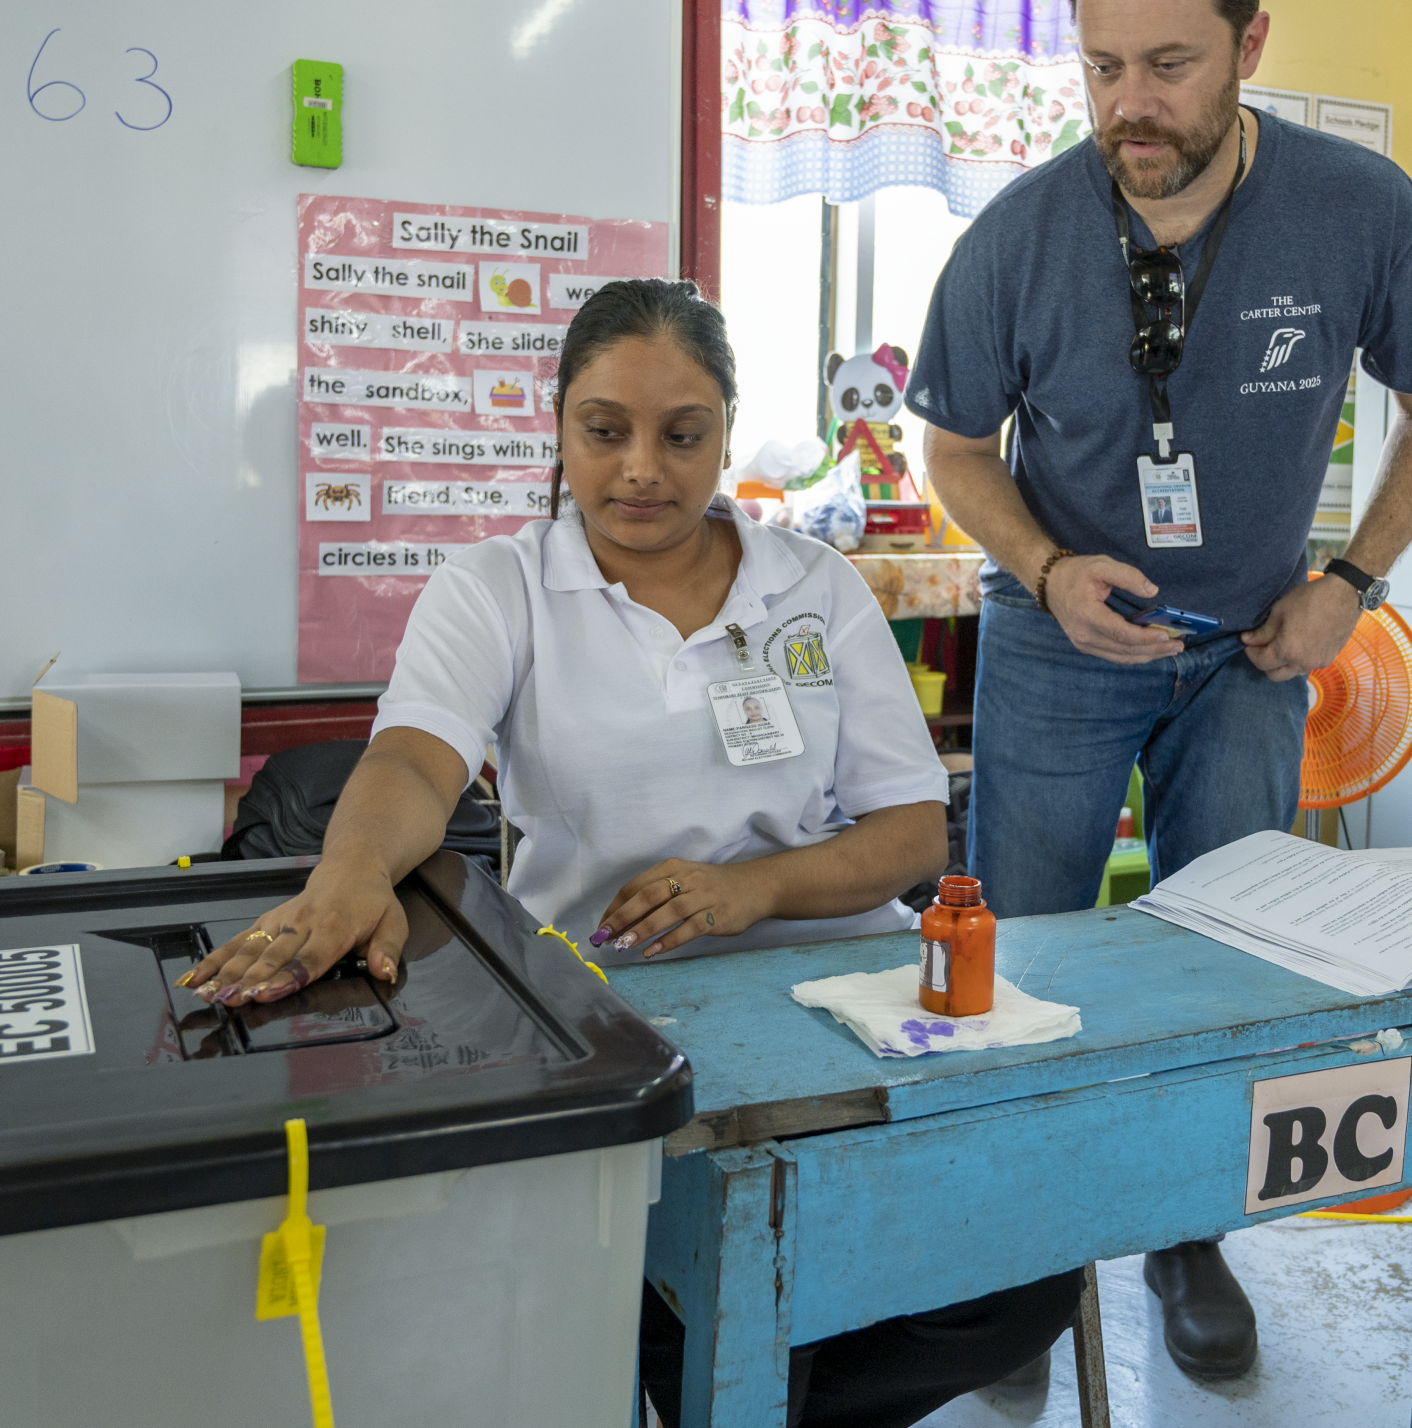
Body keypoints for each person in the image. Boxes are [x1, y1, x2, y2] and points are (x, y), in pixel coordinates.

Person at [183, 279, 1080, 1428]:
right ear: (558, 427)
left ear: (724, 428)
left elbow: (909, 831)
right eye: (604, 431)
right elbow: (413, 761)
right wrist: (349, 875)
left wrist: (747, 890)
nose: (641, 468)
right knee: (681, 1298)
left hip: (851, 1009)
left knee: (1029, 1272)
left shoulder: (813, 586)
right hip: (620, 1025)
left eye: (682, 432)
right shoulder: (500, 587)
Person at [907, 0, 1412, 1384]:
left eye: (1168, 63)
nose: (1129, 104)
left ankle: (1185, 1234)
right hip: (1058, 648)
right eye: (1101, 66)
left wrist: (1352, 576)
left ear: (1250, 43)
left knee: (1231, 958)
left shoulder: (1361, 211)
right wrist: (1039, 568)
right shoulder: (1019, 233)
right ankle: (1009, 1263)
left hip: (1256, 649)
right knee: (1014, 960)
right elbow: (953, 447)